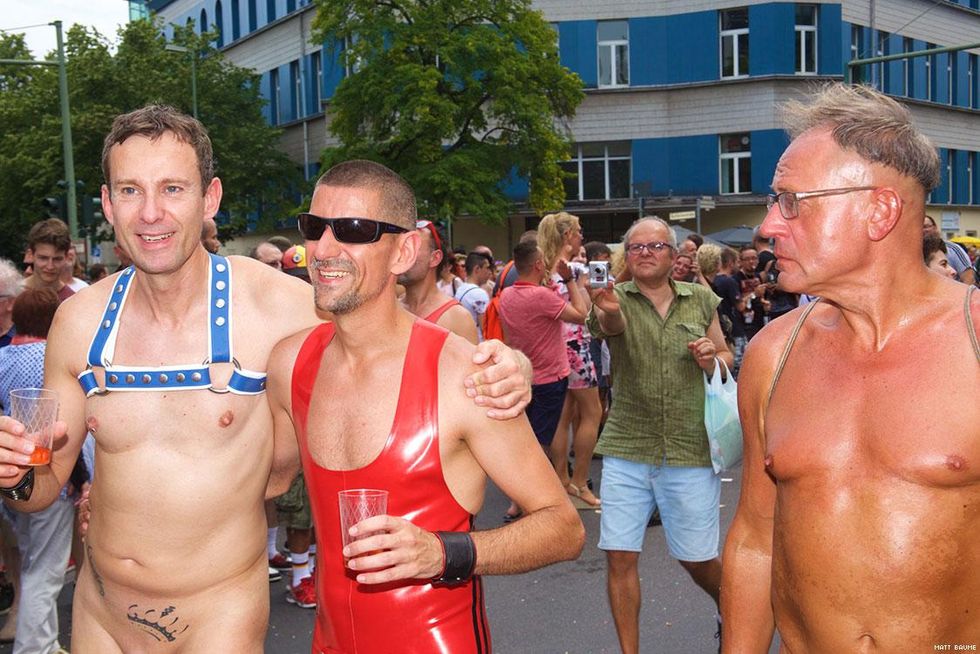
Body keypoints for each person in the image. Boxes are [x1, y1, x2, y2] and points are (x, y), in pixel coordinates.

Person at [0, 106, 531, 652]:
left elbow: (401, 341)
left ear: (210, 198)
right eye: (131, 191)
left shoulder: (283, 307)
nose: (151, 213)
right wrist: (13, 470)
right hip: (101, 616)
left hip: (216, 619)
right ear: (108, 204)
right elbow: (37, 493)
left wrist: (510, 365)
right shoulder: (78, 321)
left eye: (173, 189)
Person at [265, 160, 584, 653]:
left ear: (404, 251)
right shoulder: (290, 364)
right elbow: (268, 480)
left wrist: (442, 552)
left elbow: (562, 528)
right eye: (314, 228)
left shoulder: (463, 375)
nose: (323, 250)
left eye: (353, 230)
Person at [721, 84, 979, 652]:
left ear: (879, 210)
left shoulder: (976, 340)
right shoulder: (772, 354)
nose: (768, 225)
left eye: (791, 200)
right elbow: (756, 540)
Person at [588, 217, 733, 654]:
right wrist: (610, 312)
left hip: (690, 446)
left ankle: (736, 611)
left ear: (674, 256)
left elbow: (725, 352)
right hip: (627, 445)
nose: (645, 252)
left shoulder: (702, 299)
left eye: (655, 246)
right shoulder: (612, 298)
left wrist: (712, 358)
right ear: (626, 257)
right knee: (619, 554)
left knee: (697, 557)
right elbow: (610, 329)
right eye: (636, 247)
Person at [0, 288, 79, 654]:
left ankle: (42, 641)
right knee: (45, 571)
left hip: (12, 479)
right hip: (51, 477)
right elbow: (71, 430)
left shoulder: (2, 358)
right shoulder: (54, 358)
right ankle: (35, 648)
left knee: (33, 561)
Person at [498, 239, 588, 520]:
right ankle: (529, 499)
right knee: (539, 444)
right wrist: (570, 280)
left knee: (523, 438)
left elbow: (508, 335)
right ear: (537, 265)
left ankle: (516, 499)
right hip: (549, 377)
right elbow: (582, 315)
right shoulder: (542, 297)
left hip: (522, 373)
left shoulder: (508, 296)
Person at [537, 213, 601, 509]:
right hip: (576, 344)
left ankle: (561, 479)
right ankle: (580, 480)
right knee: (592, 412)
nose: (581, 236)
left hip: (552, 347)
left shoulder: (543, 271)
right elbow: (587, 311)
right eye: (578, 231)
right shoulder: (575, 269)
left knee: (563, 416)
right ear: (566, 237)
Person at [398, 220, 480, 344]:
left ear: (435, 258)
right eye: (400, 246)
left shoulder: (457, 318)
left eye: (413, 246)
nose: (401, 254)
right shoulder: (392, 310)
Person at [22, 219, 74, 303]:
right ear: (30, 255)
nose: (50, 266)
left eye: (57, 259)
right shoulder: (11, 297)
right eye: (43, 258)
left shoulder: (72, 301)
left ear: (66, 257)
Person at [923, 215, 975, 285]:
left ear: (935, 227)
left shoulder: (953, 249)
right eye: (921, 227)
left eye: (927, 226)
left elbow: (969, 279)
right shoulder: (912, 251)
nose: (924, 230)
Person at [453, 252, 493, 340]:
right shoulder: (479, 294)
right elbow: (485, 329)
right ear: (477, 269)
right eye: (487, 268)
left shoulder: (460, 289)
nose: (489, 272)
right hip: (478, 343)